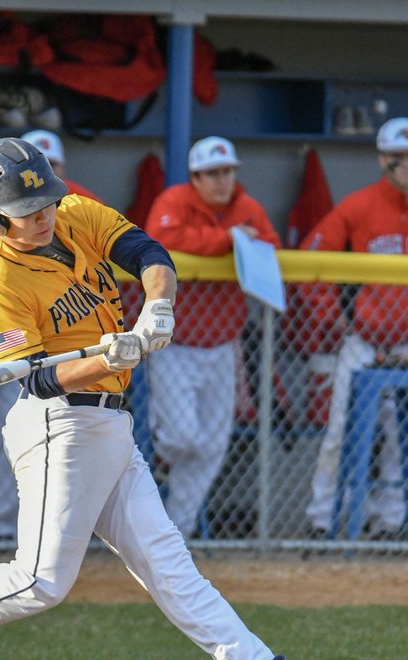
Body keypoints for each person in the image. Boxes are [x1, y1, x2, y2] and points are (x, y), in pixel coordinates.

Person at [0, 137, 329, 660]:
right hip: (59, 430)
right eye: (27, 212)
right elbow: (41, 379)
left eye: (45, 201)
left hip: (113, 427)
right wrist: (109, 359)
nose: (43, 216)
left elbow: (148, 253)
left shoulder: (73, 212)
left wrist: (157, 307)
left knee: (167, 560)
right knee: (40, 581)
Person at [300, 117, 408, 536]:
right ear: (381, 159)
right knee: (340, 432)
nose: (405, 163)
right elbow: (308, 261)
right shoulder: (358, 207)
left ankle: (389, 520)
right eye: (396, 156)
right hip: (363, 340)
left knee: (402, 436)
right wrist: (334, 318)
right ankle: (322, 520)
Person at [0, 130, 101, 540]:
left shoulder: (72, 197)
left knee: (13, 439)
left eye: (48, 168)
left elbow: (103, 232)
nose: (34, 182)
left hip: (33, 341)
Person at [143, 136, 280, 537]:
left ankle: (174, 535)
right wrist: (228, 241)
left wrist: (237, 238)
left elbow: (269, 243)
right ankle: (162, 451)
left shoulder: (247, 206)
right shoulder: (174, 200)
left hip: (223, 344)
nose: (222, 181)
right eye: (213, 174)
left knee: (211, 447)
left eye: (227, 172)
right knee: (183, 437)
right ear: (196, 178)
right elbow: (163, 240)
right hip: (175, 343)